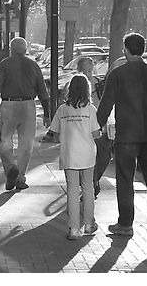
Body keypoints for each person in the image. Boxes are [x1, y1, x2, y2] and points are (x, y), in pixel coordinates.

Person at [96, 32, 147, 245]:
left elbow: (106, 104)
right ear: (143, 49)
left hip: (127, 134)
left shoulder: (117, 74)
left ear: (125, 49)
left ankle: (125, 224)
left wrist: (96, 127)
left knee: (125, 178)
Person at [0, 37, 51, 190]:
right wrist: (47, 113)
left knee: (5, 140)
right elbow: (43, 91)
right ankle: (20, 178)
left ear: (11, 49)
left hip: (9, 104)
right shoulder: (33, 65)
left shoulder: (4, 64)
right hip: (29, 105)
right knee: (27, 143)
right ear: (25, 49)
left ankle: (10, 168)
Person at [48, 74, 101, 240]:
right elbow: (96, 133)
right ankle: (89, 223)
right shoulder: (91, 110)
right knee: (87, 187)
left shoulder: (62, 109)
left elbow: (55, 134)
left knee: (71, 189)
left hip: (69, 153)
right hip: (87, 153)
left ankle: (73, 228)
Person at [61, 56, 113, 198]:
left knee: (104, 156)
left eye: (91, 70)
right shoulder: (72, 86)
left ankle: (93, 181)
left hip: (99, 126)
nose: (89, 74)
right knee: (87, 160)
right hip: (80, 129)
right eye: (85, 71)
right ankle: (90, 184)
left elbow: (108, 103)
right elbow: (65, 107)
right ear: (79, 71)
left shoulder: (99, 84)